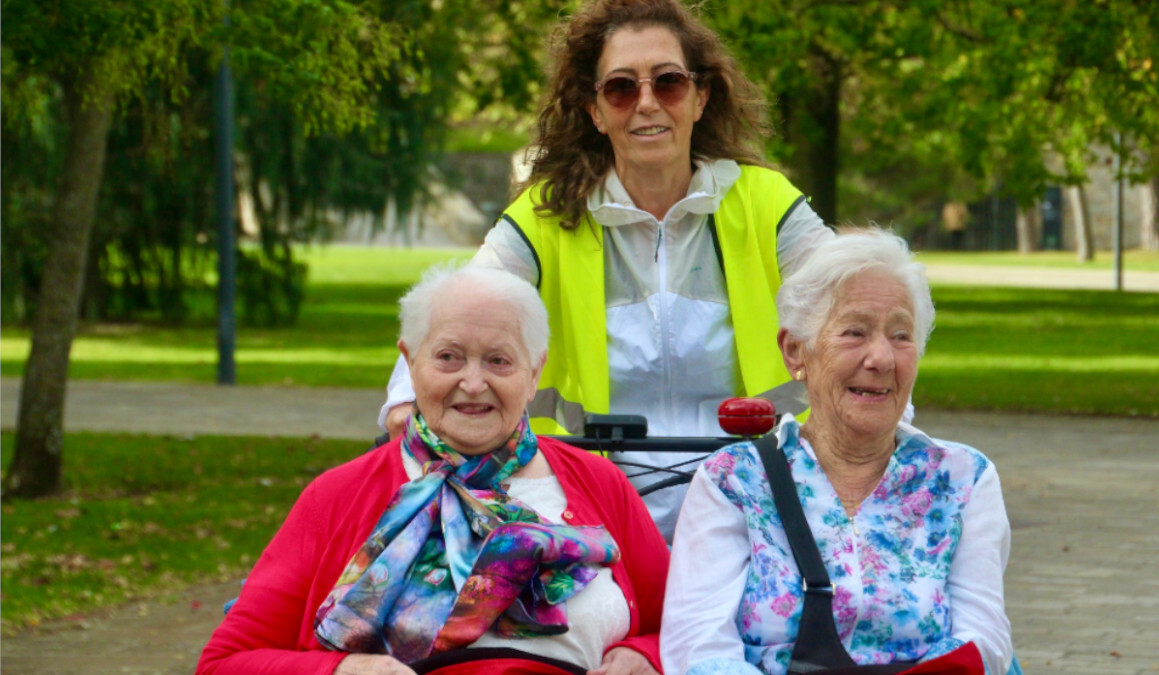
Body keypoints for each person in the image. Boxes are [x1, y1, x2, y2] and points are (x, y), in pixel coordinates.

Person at [379, 0, 834, 541]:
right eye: (621, 87)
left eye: (668, 82)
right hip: (585, 511)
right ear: (594, 110)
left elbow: (854, 304)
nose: (646, 103)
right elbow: (463, 308)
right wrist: (407, 397)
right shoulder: (545, 216)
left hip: (755, 507)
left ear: (700, 97)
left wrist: (881, 419)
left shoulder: (767, 203)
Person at [197, 265, 670, 675]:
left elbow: (686, 625)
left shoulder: (599, 483)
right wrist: (342, 668)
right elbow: (224, 663)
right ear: (411, 361)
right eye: (449, 357)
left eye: (499, 361)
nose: (472, 382)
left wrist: (645, 654)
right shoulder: (338, 496)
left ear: (534, 374)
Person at [660, 229, 1015, 675]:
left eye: (901, 335)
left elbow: (984, 638)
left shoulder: (963, 478)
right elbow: (699, 646)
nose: (882, 357)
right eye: (855, 332)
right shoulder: (734, 480)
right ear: (795, 352)